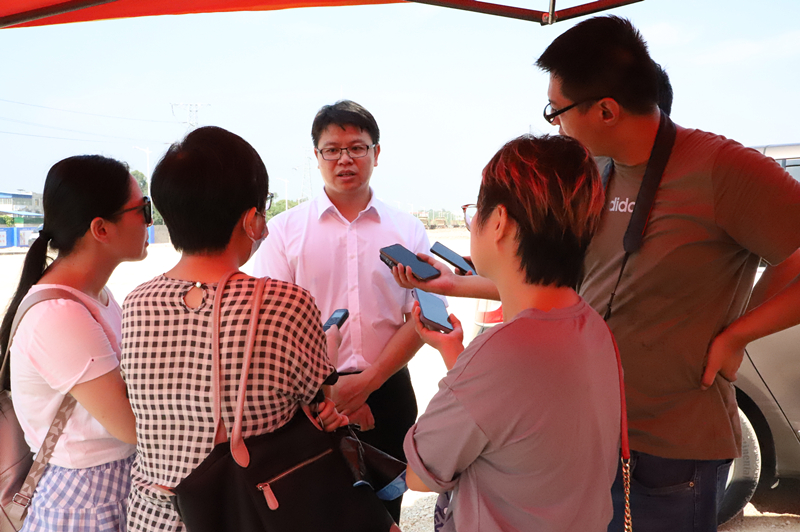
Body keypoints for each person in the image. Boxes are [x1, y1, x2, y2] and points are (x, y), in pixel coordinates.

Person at [397, 15, 800, 532]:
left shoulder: (722, 169)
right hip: (590, 436)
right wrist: (454, 283)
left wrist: (740, 332)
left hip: (671, 445)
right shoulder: (597, 172)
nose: (554, 126)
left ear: (606, 110)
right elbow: (553, 285)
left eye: (556, 111)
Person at [121, 126, 347, 532]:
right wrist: (329, 346)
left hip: (154, 516)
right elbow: (319, 405)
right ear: (251, 221)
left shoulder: (137, 302)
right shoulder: (285, 302)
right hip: (250, 514)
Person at [402, 134, 621, 532]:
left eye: (475, 211)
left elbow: (420, 474)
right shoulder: (591, 324)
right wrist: (456, 355)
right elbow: (516, 422)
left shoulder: (499, 355)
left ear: (499, 222)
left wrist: (465, 367)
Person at [253, 100, 434, 522]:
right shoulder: (284, 231)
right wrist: (331, 393)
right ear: (316, 156)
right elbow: (270, 324)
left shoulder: (406, 229)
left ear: (376, 153)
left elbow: (425, 313)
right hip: (308, 401)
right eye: (332, 150)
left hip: (388, 388)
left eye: (357, 147)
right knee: (312, 513)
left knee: (385, 512)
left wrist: (368, 383)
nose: (344, 159)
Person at [0, 155, 150, 531]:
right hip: (84, 503)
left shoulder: (95, 296)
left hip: (106, 489)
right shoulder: (59, 316)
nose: (149, 221)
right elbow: (130, 425)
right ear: (101, 228)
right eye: (142, 209)